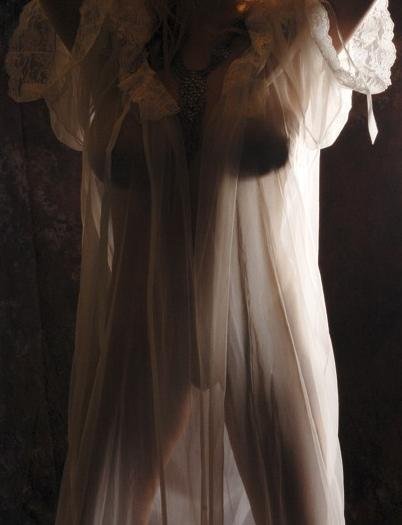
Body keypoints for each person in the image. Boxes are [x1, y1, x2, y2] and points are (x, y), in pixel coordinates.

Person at [5, 0, 396, 523]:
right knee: (100, 508)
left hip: (265, 333)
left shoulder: (292, 33)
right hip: (142, 330)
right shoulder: (112, 38)